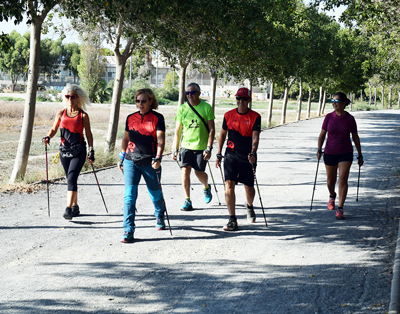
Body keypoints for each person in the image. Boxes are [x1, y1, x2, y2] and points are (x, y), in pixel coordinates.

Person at [118, 88, 166, 243]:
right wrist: (122, 156)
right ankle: (128, 230)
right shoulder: (130, 117)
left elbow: (160, 140)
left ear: (151, 101)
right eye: (137, 101)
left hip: (150, 162)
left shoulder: (158, 118)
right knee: (129, 195)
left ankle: (159, 214)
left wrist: (158, 158)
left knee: (155, 194)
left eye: (143, 101)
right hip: (130, 160)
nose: (140, 104)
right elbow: (125, 139)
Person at [42, 84, 94, 220]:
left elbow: (88, 134)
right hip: (64, 152)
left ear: (78, 98)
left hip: (79, 151)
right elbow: (53, 129)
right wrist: (48, 137)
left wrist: (91, 150)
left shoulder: (83, 116)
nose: (70, 99)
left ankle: (68, 208)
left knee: (71, 177)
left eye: (73, 96)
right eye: (67, 96)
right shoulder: (61, 113)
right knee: (71, 178)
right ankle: (75, 206)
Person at [215, 87, 261, 231]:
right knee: (229, 184)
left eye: (244, 99)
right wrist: (218, 153)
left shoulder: (255, 116)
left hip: (247, 156)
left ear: (249, 100)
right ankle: (232, 219)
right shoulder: (228, 115)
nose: (240, 101)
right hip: (231, 155)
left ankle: (250, 206)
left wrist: (253, 153)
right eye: (238, 98)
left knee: (249, 187)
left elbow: (255, 137)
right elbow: (222, 135)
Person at [317, 92, 364, 220]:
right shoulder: (328, 117)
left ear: (344, 103)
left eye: (337, 101)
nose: (334, 103)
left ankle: (340, 208)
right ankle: (332, 195)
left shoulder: (350, 119)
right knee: (330, 181)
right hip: (330, 152)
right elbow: (322, 134)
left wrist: (360, 154)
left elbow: (355, 137)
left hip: (345, 152)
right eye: (332, 100)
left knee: (343, 179)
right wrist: (319, 149)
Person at [172, 82, 215, 211]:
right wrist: (175, 148)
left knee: (199, 172)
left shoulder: (206, 107)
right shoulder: (182, 109)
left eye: (192, 92)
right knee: (185, 170)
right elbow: (177, 131)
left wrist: (209, 148)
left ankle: (206, 187)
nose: (189, 95)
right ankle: (187, 200)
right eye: (187, 93)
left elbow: (212, 130)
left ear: (199, 93)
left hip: (201, 147)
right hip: (186, 146)